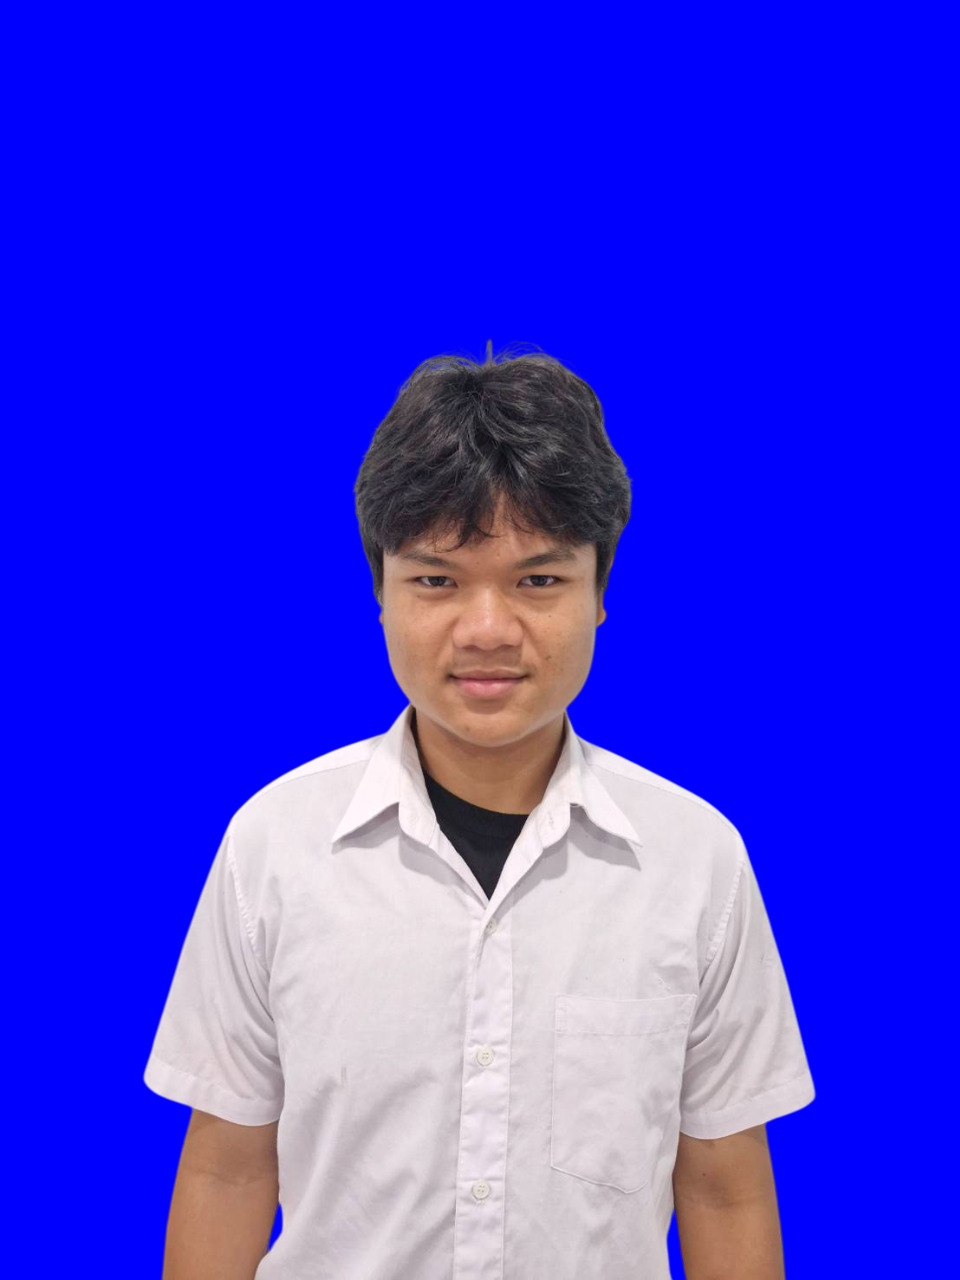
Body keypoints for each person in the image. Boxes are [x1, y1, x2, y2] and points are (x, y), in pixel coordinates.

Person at [145, 342, 815, 1280]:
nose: (488, 630)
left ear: (600, 594)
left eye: (538, 580)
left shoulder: (694, 861)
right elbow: (227, 1169)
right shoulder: (276, 847)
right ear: (381, 594)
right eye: (437, 580)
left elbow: (724, 1188)